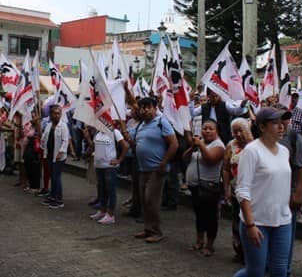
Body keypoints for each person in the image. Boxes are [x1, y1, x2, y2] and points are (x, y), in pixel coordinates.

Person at [234, 107, 292, 277]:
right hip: (257, 222)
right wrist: (250, 224)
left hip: (282, 221)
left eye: (283, 123)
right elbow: (242, 189)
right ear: (262, 127)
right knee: (255, 272)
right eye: (275, 123)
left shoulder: (284, 151)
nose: (281, 127)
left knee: (280, 270)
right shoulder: (252, 151)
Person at [123, 96, 178, 244]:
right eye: (143, 107)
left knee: (151, 200)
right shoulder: (140, 126)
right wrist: (129, 139)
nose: (145, 110)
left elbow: (174, 144)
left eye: (149, 107)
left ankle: (156, 231)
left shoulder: (161, 122)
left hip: (157, 170)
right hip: (143, 169)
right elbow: (136, 145)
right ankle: (148, 228)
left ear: (155, 109)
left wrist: (164, 162)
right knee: (144, 200)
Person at [182, 119, 225, 257]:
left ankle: (209, 245)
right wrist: (192, 148)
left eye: (210, 128)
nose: (207, 131)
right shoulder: (200, 144)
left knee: (210, 217)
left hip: (209, 188)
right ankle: (199, 241)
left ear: (216, 130)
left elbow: (210, 159)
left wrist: (200, 145)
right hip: (196, 187)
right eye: (204, 128)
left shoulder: (219, 145)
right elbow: (184, 158)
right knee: (199, 215)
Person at [275, 104, 302, 277]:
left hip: (288, 194)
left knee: (286, 236)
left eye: (285, 118)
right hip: (270, 196)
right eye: (279, 118)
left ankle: (284, 270)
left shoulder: (295, 137)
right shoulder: (266, 138)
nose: (282, 122)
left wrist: (298, 193)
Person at [223, 117, 254, 262]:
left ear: (247, 130)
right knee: (237, 221)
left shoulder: (256, 145)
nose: (238, 134)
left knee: (251, 222)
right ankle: (240, 251)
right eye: (235, 132)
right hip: (237, 191)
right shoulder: (231, 146)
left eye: (241, 130)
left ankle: (253, 253)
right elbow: (226, 169)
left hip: (253, 193)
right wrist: (227, 188)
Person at [88, 123, 129, 225]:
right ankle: (102, 211)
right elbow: (94, 147)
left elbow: (125, 146)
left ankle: (110, 215)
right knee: (101, 190)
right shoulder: (98, 133)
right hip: (99, 166)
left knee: (110, 190)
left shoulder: (114, 132)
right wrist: (87, 137)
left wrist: (119, 160)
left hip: (109, 168)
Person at [39, 105, 70, 209]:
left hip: (58, 156)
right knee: (52, 176)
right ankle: (52, 196)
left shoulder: (64, 126)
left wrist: (61, 152)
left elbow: (66, 140)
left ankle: (59, 199)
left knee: (56, 177)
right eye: (55, 113)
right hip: (49, 154)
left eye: (58, 113)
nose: (57, 115)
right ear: (51, 114)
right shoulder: (48, 125)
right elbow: (44, 137)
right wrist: (42, 147)